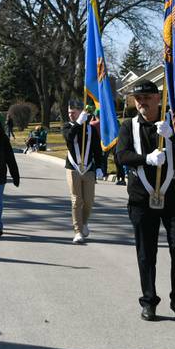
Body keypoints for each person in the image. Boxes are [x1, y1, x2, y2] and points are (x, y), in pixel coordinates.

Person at [116, 80, 175, 324]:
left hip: (174, 197)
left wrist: (172, 139)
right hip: (141, 198)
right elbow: (121, 155)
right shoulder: (129, 126)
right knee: (146, 253)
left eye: (147, 98)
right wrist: (145, 159)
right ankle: (149, 301)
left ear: (158, 98)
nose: (142, 103)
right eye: (138, 99)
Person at [63, 101, 105, 243]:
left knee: (89, 200)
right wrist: (77, 124)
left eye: (73, 112)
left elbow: (96, 149)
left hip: (88, 168)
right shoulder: (67, 127)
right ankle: (78, 231)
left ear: (81, 112)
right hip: (73, 168)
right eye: (69, 112)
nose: (70, 114)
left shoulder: (91, 129)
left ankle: (84, 222)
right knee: (76, 200)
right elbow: (69, 138)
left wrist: (99, 166)